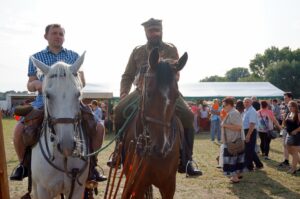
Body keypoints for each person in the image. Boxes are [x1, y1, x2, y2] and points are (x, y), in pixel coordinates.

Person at [10, 24, 106, 182]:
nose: (58, 36)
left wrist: (73, 84)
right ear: (46, 36)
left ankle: (92, 166)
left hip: (72, 101)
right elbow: (30, 82)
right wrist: (38, 86)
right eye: (54, 33)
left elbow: (82, 80)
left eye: (61, 34)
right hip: (45, 101)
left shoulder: (73, 56)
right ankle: (23, 166)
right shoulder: (36, 57)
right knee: (19, 129)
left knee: (99, 127)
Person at [113, 18, 202, 176]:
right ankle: (118, 153)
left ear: (161, 31)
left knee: (188, 115)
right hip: (142, 91)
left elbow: (176, 71)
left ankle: (187, 159)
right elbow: (127, 75)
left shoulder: (170, 48)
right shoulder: (137, 51)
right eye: (150, 30)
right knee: (119, 110)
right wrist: (123, 93)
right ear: (146, 33)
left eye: (156, 30)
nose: (154, 33)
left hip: (166, 91)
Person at [221, 97, 245, 183]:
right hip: (234, 140)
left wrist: (224, 125)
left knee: (231, 160)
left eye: (224, 105)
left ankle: (235, 178)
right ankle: (237, 175)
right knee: (236, 159)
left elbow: (238, 127)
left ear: (229, 105)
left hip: (233, 141)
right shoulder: (231, 112)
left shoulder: (233, 113)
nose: (223, 107)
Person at [243, 98, 263, 171]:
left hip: (250, 131)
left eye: (247, 102)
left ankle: (250, 166)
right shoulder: (246, 110)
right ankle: (258, 164)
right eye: (245, 102)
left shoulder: (252, 111)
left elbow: (252, 124)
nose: (246, 103)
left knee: (249, 150)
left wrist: (248, 135)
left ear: (251, 103)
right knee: (249, 149)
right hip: (246, 130)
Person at [283, 101, 300, 174]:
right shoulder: (289, 114)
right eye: (289, 106)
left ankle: (293, 169)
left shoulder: (298, 114)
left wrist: (295, 130)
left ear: (295, 107)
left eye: (292, 106)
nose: (290, 107)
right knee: (289, 150)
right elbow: (285, 123)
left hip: (296, 135)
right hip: (288, 134)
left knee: (294, 152)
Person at [278, 92, 293, 167]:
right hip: (286, 128)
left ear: (290, 98)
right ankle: (286, 160)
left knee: (293, 147)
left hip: (292, 129)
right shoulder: (286, 106)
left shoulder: (294, 106)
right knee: (285, 145)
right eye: (284, 98)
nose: (284, 99)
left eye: (285, 98)